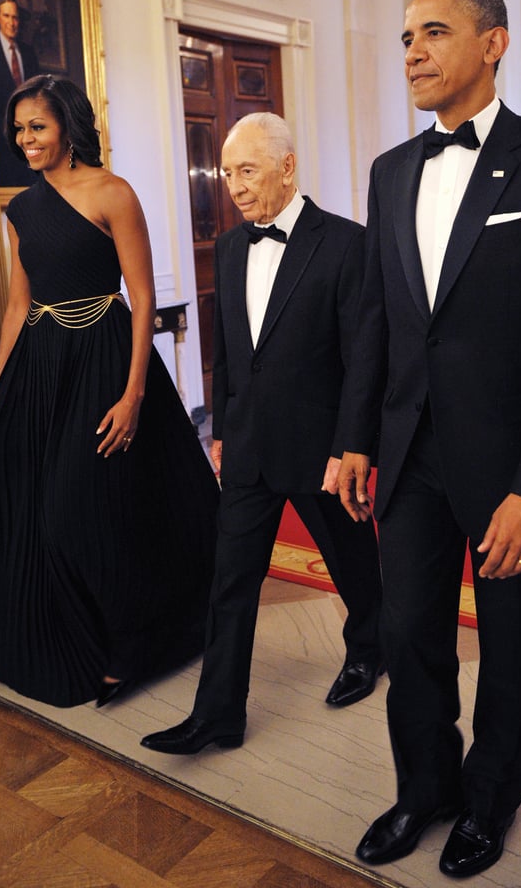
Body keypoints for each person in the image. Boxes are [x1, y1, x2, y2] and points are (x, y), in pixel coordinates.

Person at [336, 0, 521, 879]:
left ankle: (489, 805)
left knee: (517, 649)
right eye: (406, 34)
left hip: (512, 462)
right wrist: (355, 436)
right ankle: (424, 791)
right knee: (408, 635)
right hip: (408, 458)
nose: (411, 50)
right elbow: (376, 317)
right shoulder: (389, 171)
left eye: (434, 32)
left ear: (494, 44)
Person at [140, 112, 383, 756]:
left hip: (322, 448)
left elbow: (364, 360)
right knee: (232, 579)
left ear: (287, 165)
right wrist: (219, 429)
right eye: (228, 174)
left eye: (248, 171)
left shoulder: (346, 245)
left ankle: (370, 648)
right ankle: (217, 713)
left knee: (353, 564)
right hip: (247, 444)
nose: (235, 187)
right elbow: (227, 348)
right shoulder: (226, 246)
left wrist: (350, 447)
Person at [0, 74, 218, 708]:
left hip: (104, 357)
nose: (27, 139)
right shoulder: (21, 209)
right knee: (36, 500)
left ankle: (132, 646)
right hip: (41, 361)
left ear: (68, 127)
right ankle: (71, 639)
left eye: (39, 126)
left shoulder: (113, 193)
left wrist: (134, 393)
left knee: (81, 510)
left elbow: (142, 297)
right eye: (20, 129)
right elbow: (17, 305)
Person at [0, 0, 40, 186]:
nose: (12, 22)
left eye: (15, 17)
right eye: (7, 16)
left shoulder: (27, 52)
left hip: (29, 130)